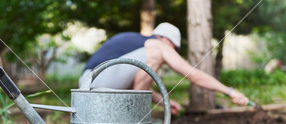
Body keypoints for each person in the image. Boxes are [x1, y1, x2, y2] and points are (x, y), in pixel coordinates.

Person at [79, 22, 249, 115]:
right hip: (97, 81)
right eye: (173, 48)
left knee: (150, 62)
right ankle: (136, 117)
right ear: (167, 40)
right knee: (156, 56)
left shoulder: (138, 47)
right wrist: (229, 91)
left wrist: (164, 102)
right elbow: (194, 75)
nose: (172, 52)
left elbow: (133, 81)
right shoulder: (157, 46)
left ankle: (133, 116)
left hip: (91, 84)